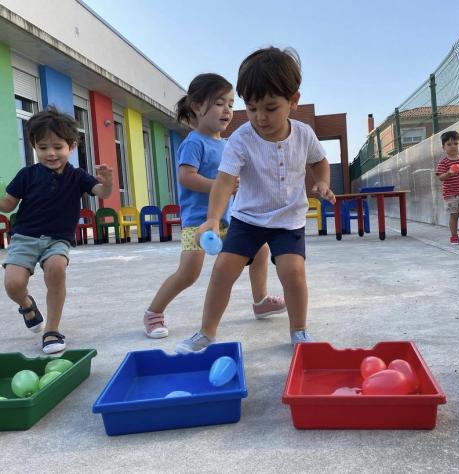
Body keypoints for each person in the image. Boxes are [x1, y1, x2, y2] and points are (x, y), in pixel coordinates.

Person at [175, 47, 335, 354]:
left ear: (294, 101)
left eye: (270, 108)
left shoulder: (304, 135)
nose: (260, 117)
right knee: (223, 269)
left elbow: (319, 162)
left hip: (288, 221)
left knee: (293, 272)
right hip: (247, 220)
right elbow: (223, 183)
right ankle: (205, 333)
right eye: (251, 108)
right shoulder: (240, 139)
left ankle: (299, 330)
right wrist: (211, 218)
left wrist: (323, 182)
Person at [143, 73, 285, 339]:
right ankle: (153, 312)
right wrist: (219, 186)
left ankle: (260, 300)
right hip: (197, 222)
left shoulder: (229, 144)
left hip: (228, 220)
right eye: (220, 103)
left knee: (261, 250)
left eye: (231, 104)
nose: (228, 110)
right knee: (188, 273)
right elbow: (186, 177)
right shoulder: (194, 142)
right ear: (197, 106)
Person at [0, 107, 113, 354]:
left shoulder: (78, 176)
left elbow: (101, 193)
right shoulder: (27, 175)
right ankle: (27, 306)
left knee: (56, 268)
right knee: (13, 285)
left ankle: (51, 330)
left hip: (57, 239)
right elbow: (8, 205)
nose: (50, 153)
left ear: (71, 146)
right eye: (42, 148)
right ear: (34, 146)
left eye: (57, 147)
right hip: (25, 237)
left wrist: (108, 183)